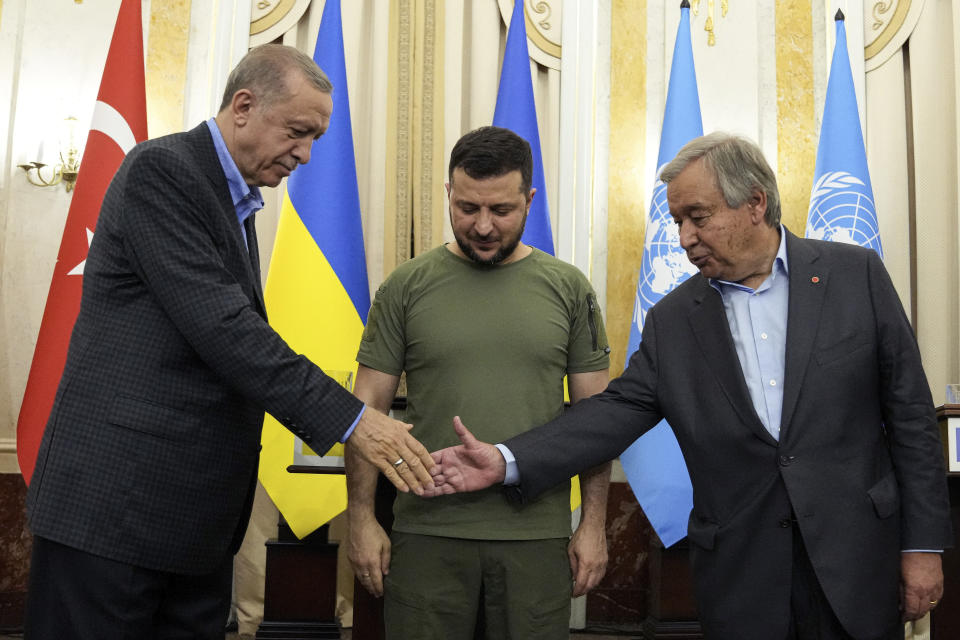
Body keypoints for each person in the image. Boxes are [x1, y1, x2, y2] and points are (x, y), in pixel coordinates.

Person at [427, 132, 953, 640]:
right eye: (677, 221)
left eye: (696, 218)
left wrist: (923, 547)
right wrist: (506, 459)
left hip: (859, 562)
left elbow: (911, 421)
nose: (683, 239)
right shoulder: (675, 320)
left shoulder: (854, 276)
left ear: (754, 203)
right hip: (743, 577)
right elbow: (612, 414)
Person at [24, 44, 435, 639]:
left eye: (317, 137)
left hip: (190, 525)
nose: (307, 154)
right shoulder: (162, 172)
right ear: (244, 106)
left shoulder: (233, 202)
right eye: (298, 131)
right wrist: (354, 421)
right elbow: (227, 332)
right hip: (115, 512)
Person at [346, 126, 612, 639]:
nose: (484, 226)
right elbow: (366, 412)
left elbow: (596, 421)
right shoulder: (406, 286)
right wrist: (360, 517)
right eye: (467, 208)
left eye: (502, 210)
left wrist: (595, 524)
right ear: (448, 193)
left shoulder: (569, 289)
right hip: (426, 532)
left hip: (536, 537)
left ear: (529, 200)